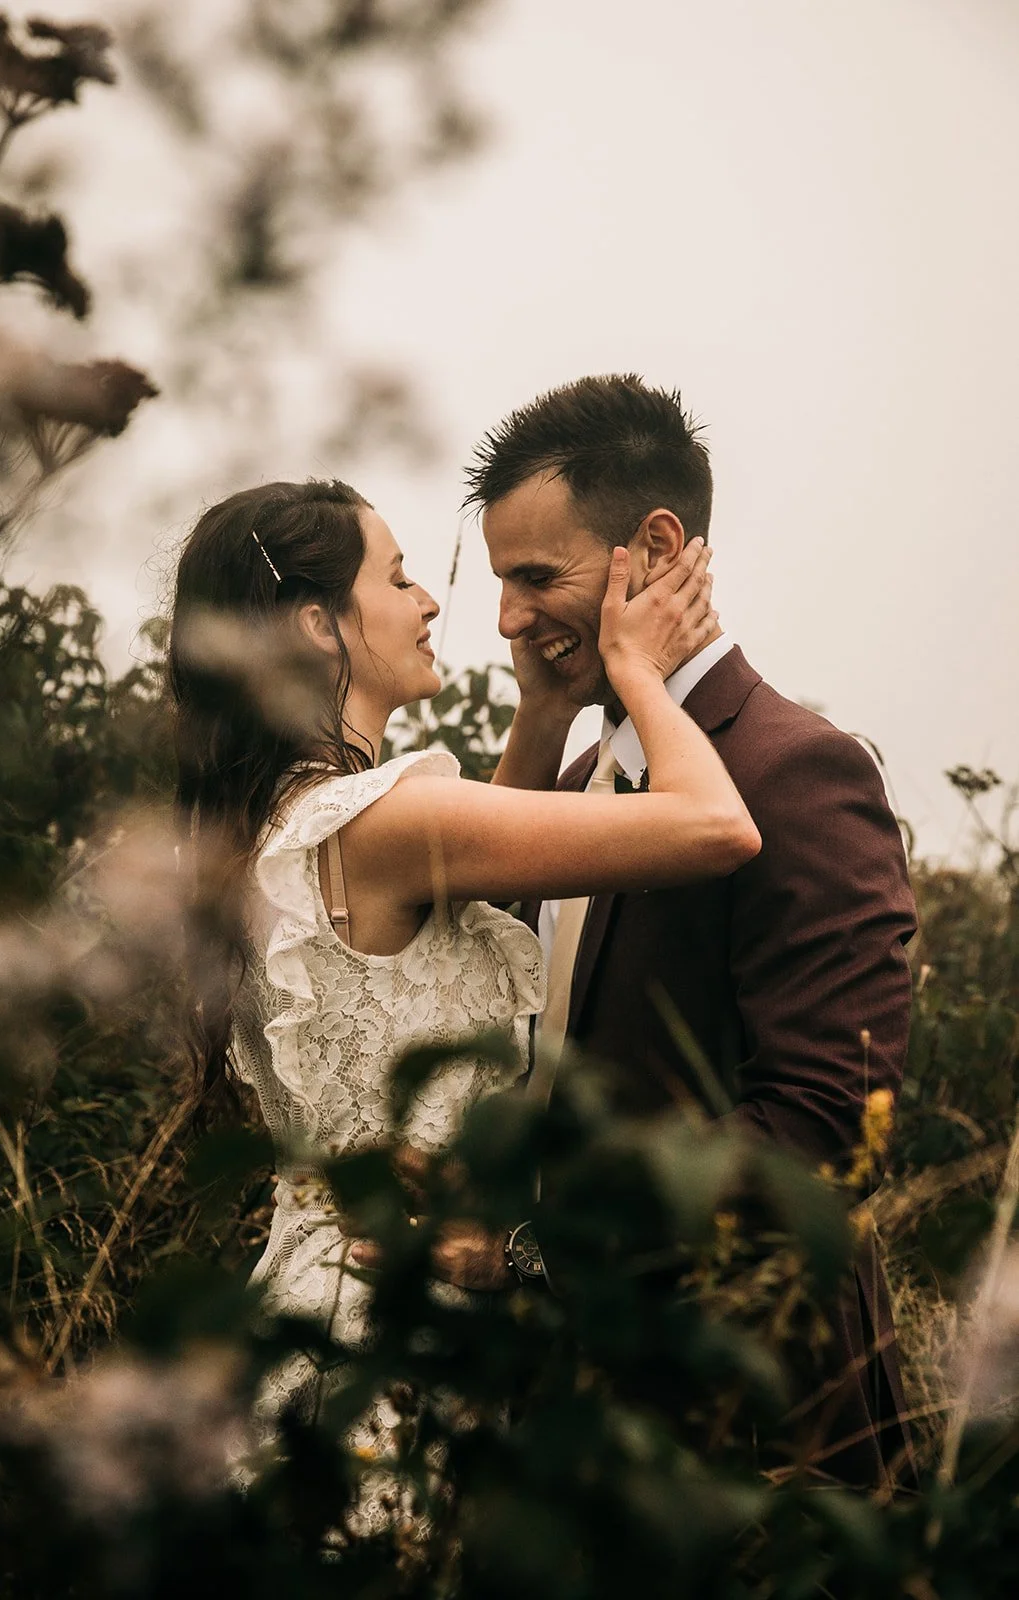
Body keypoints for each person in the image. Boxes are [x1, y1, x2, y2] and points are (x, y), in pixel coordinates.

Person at [168, 477, 759, 1508]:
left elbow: (466, 855)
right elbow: (714, 826)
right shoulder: (381, 822)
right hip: (385, 1339)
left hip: (322, 1297)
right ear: (318, 624)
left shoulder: (286, 822)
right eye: (397, 577)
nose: (432, 602)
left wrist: (537, 711)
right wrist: (637, 670)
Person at [443, 372, 919, 1491]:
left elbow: (818, 1127)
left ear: (653, 547)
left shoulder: (793, 770)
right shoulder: (575, 767)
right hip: (574, 1412)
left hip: (744, 1422)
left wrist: (534, 1250)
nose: (506, 617)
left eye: (532, 576)